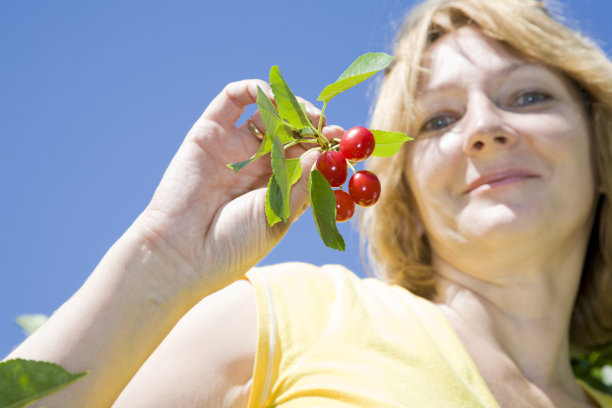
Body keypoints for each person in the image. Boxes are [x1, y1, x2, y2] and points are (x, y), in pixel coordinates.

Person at [5, 0, 612, 406]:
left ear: (601, 148)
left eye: (528, 96)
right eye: (439, 119)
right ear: (403, 191)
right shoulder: (295, 315)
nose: (484, 127)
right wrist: (163, 255)